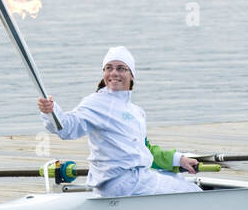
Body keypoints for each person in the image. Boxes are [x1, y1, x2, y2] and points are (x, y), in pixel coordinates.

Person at [37, 45, 201, 196]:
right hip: (119, 182)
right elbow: (67, 128)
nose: (114, 73)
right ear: (104, 73)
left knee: (177, 177)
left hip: (136, 179)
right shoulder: (96, 102)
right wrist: (51, 112)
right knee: (192, 191)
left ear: (131, 75)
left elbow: (144, 150)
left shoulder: (137, 112)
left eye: (121, 68)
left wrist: (178, 159)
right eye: (109, 68)